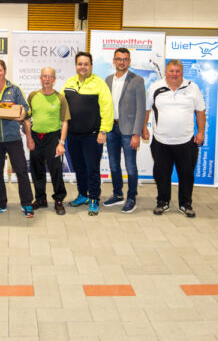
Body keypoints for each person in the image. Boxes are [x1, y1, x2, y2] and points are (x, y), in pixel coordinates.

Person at [143, 59, 205, 218]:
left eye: (177, 71)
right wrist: (143, 128)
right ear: (166, 72)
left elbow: (200, 111)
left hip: (186, 141)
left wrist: (201, 132)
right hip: (161, 141)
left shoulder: (192, 87)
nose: (174, 74)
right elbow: (146, 109)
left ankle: (185, 204)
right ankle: (162, 202)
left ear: (182, 72)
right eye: (171, 71)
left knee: (187, 174)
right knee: (161, 174)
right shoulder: (155, 86)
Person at [0, 60, 35, 217]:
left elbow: (27, 110)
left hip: (13, 138)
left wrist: (20, 115)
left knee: (21, 171)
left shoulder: (14, 89)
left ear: (4, 71)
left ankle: (27, 204)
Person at [63, 52, 114, 216]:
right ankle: (83, 195)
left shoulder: (99, 84)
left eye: (86, 64)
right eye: (80, 64)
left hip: (92, 135)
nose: (82, 67)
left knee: (92, 168)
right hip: (72, 135)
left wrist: (103, 130)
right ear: (76, 65)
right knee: (79, 168)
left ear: (91, 66)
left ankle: (93, 198)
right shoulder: (69, 83)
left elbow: (107, 108)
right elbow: (63, 108)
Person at [103, 48, 146, 214]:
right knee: (113, 165)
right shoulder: (108, 80)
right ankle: (117, 194)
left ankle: (131, 197)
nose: (122, 62)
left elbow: (141, 108)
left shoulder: (137, 80)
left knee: (130, 166)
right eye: (119, 59)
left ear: (129, 61)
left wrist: (137, 133)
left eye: (125, 59)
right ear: (114, 61)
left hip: (129, 130)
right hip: (111, 128)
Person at [24, 67, 70, 215]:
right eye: (44, 76)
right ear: (40, 78)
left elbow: (65, 122)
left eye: (50, 77)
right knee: (37, 170)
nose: (47, 79)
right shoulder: (33, 96)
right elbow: (26, 119)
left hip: (53, 138)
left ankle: (58, 200)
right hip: (36, 137)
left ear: (54, 79)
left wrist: (61, 143)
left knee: (56, 170)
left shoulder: (60, 98)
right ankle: (40, 199)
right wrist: (29, 138)